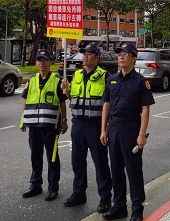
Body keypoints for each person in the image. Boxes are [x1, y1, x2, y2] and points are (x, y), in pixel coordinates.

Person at [100, 43, 154, 221]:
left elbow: (145, 109)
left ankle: (137, 209)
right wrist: (103, 129)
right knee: (116, 169)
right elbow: (106, 104)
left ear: (134, 58)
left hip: (131, 128)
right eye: (119, 54)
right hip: (114, 128)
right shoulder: (112, 79)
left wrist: (141, 134)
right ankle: (119, 206)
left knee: (133, 170)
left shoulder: (140, 81)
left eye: (125, 54)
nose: (121, 57)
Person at [63, 43, 113, 213]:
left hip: (96, 124)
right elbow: (73, 98)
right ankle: (78, 193)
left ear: (97, 57)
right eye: (84, 54)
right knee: (77, 161)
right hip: (78, 123)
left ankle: (105, 198)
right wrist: (67, 90)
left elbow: (110, 104)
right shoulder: (76, 75)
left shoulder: (105, 76)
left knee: (100, 162)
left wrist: (105, 127)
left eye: (90, 54)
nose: (85, 56)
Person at [20, 49, 69, 202]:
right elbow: (26, 101)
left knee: (52, 157)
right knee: (35, 156)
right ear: (36, 63)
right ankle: (35, 185)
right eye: (39, 60)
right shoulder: (32, 80)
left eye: (44, 60)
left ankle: (53, 187)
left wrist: (64, 121)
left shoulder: (56, 80)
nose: (41, 63)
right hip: (34, 126)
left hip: (51, 126)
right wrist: (22, 121)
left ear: (50, 62)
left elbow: (62, 102)